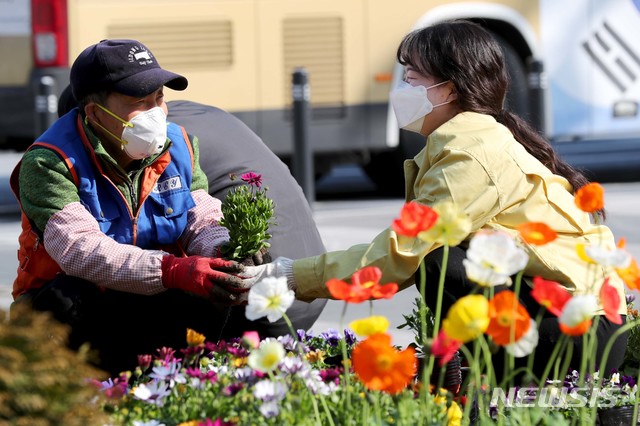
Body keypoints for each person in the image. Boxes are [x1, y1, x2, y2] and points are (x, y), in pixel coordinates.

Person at [246, 20, 629, 382]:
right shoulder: (470, 140)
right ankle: (475, 379)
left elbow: (398, 256)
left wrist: (292, 275)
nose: (402, 89)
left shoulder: (470, 154)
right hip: (580, 320)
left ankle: (488, 386)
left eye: (412, 78)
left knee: (440, 262)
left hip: (579, 333)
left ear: (448, 89)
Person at [10, 39, 257, 376]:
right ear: (96, 113)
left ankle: (183, 380)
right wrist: (173, 270)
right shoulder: (49, 163)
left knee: (219, 285)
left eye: (159, 98)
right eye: (139, 102)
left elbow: (201, 213)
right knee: (65, 298)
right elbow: (81, 250)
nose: (156, 112)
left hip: (151, 292)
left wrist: (224, 249)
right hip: (81, 304)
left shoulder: (180, 144)